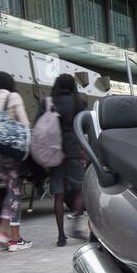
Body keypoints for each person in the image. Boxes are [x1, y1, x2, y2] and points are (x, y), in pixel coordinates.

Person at [0, 70, 33, 252]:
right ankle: (14, 239)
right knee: (16, 191)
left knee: (10, 190)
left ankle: (2, 232)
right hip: (11, 150)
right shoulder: (13, 97)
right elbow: (25, 123)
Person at [48, 73, 88, 246]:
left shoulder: (48, 103)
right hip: (73, 150)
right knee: (80, 190)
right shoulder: (77, 102)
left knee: (58, 194)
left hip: (54, 151)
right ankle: (76, 224)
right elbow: (84, 127)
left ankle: (60, 236)